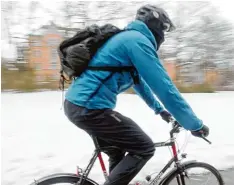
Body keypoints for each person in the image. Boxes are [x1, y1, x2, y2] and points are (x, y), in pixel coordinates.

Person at [64, 4, 209, 185]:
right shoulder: (137, 41)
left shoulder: (128, 39)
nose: (163, 34)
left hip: (79, 105)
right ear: (155, 25)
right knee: (144, 147)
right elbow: (165, 88)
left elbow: (139, 83)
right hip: (90, 109)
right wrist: (194, 124)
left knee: (116, 150)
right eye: (163, 28)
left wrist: (160, 111)